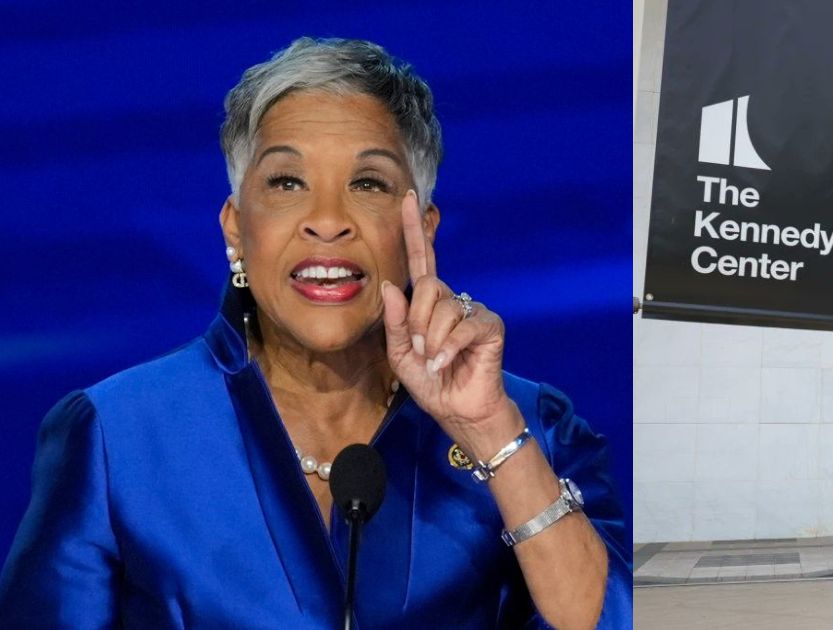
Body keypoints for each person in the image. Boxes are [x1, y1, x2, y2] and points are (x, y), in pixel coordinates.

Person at [0, 37, 631, 628]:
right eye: (286, 182)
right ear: (234, 227)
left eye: (368, 184)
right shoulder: (114, 435)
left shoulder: (534, 423)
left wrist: (491, 432)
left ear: (423, 231)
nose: (327, 221)